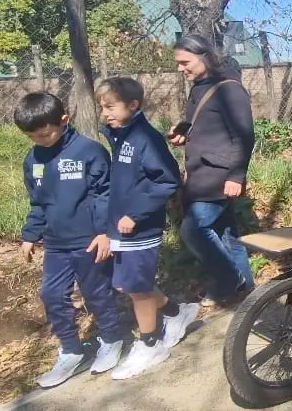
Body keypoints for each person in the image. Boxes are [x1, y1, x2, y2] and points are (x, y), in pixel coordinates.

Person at [15, 92, 125, 387]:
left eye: (45, 133)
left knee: (97, 293)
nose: (40, 140)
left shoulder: (89, 151)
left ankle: (112, 339)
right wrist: (30, 235)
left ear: (64, 121)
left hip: (89, 240)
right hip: (55, 243)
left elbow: (105, 195)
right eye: (32, 137)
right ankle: (71, 351)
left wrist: (105, 232)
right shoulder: (33, 159)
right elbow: (38, 203)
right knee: (51, 295)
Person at [97, 77, 198, 379]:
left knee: (137, 289)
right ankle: (175, 312)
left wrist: (136, 215)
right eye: (102, 108)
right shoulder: (120, 136)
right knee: (125, 284)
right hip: (120, 227)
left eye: (110, 107)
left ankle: (150, 344)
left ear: (133, 105)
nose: (105, 114)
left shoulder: (145, 138)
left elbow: (167, 180)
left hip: (139, 229)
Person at [169, 34, 256, 307]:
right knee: (226, 234)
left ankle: (229, 280)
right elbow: (206, 122)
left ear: (204, 56)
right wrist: (184, 131)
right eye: (178, 63)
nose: (180, 68)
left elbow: (244, 136)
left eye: (185, 62)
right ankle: (248, 290)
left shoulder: (230, 89)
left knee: (193, 230)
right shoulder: (199, 87)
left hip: (218, 176)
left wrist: (236, 175)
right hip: (201, 172)